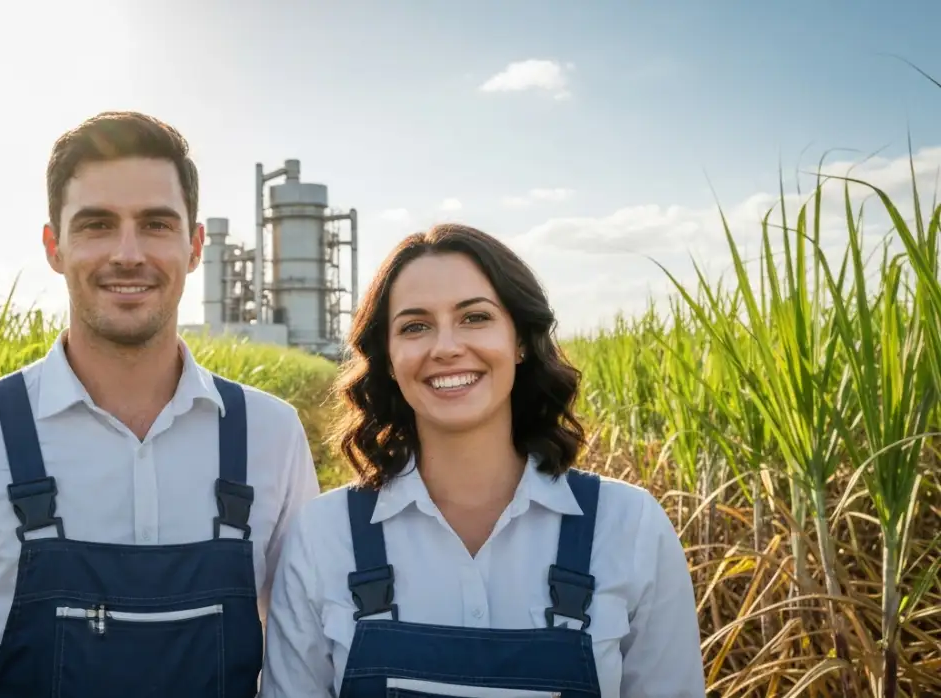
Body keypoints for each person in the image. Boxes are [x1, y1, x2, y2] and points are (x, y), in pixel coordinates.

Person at [0, 111, 321, 698]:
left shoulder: (271, 434)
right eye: (97, 225)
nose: (127, 254)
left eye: (156, 224)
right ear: (55, 246)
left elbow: (301, 660)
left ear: (195, 246)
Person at [259, 223, 706, 698]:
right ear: (388, 358)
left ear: (520, 341)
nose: (447, 347)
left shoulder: (629, 528)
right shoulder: (324, 537)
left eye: (475, 318)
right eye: (415, 326)